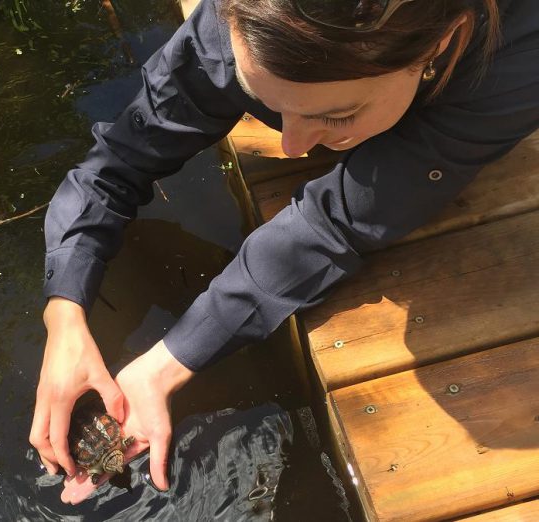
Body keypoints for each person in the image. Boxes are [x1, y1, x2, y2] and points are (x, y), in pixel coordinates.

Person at [29, 0, 539, 503]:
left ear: (441, 44)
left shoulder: (516, 62)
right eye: (264, 101)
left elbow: (334, 223)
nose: (294, 147)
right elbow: (116, 163)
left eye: (338, 116)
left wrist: (167, 362)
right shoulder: (240, 20)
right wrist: (65, 318)